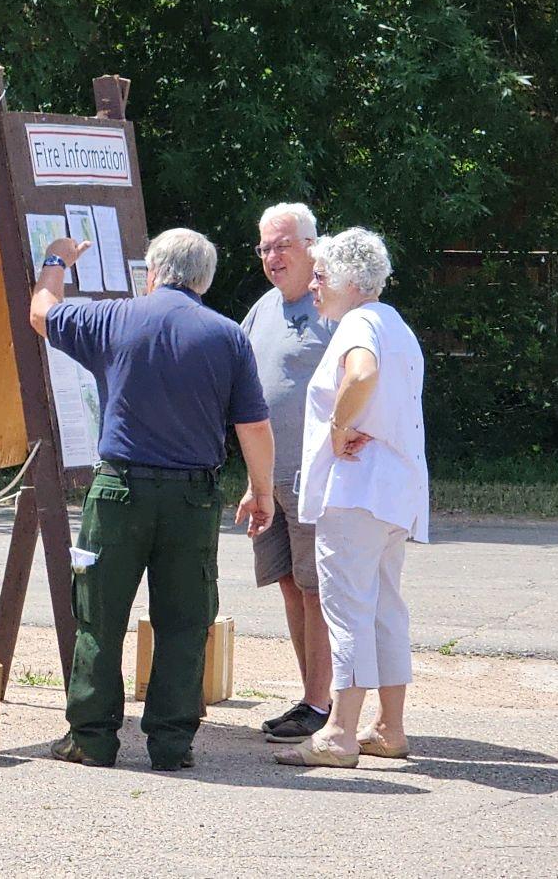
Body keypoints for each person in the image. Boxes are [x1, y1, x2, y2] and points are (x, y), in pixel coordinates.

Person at [30, 227, 277, 771]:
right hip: (193, 498)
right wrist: (262, 492)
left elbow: (42, 311)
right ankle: (170, 743)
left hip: (118, 491)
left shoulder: (112, 318)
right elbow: (253, 427)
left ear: (152, 273)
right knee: (185, 621)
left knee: (99, 615)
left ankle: (91, 738)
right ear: (204, 280)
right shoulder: (228, 336)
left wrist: (56, 259)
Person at [276, 227, 428, 769]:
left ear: (348, 281)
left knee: (348, 609)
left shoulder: (358, 322)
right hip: (393, 490)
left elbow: (362, 372)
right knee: (385, 605)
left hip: (357, 490)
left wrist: (339, 426)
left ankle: (338, 734)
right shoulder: (394, 323)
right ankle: (389, 726)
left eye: (321, 276)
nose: (313, 285)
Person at [238, 203, 338, 743]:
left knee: (316, 588)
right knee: (287, 585)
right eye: (265, 248)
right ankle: (309, 696)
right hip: (269, 479)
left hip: (314, 477)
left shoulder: (333, 308)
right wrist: (253, 478)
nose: (273, 258)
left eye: (282, 246)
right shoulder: (263, 309)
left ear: (310, 246)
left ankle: (321, 704)